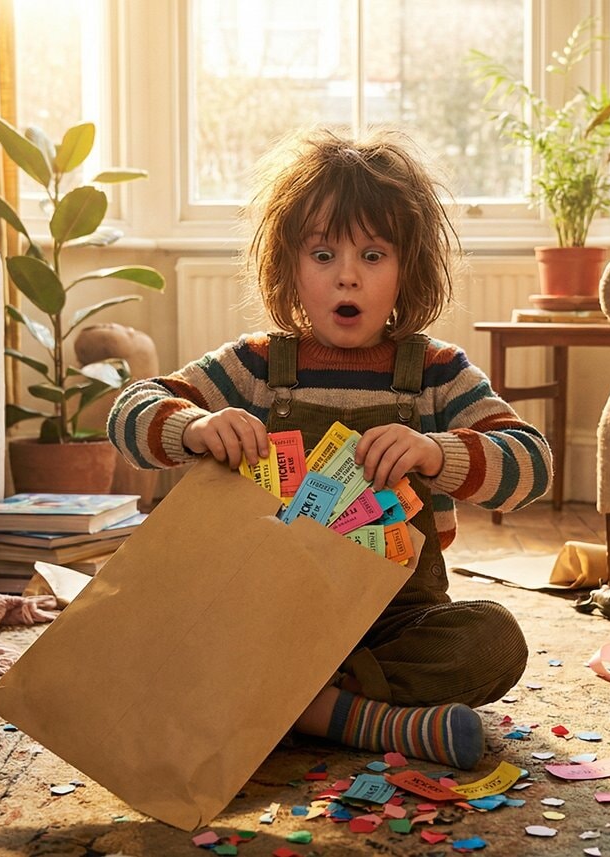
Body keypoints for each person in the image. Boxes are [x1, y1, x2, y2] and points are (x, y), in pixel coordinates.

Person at [108, 128, 551, 770]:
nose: (347, 275)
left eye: (374, 255)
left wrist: (435, 452)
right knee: (154, 629)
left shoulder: (437, 371)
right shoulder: (254, 365)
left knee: (493, 639)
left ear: (408, 268)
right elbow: (128, 413)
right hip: (267, 617)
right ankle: (360, 720)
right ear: (290, 265)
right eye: (322, 254)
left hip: (395, 623)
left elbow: (532, 464)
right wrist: (196, 428)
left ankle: (310, 709)